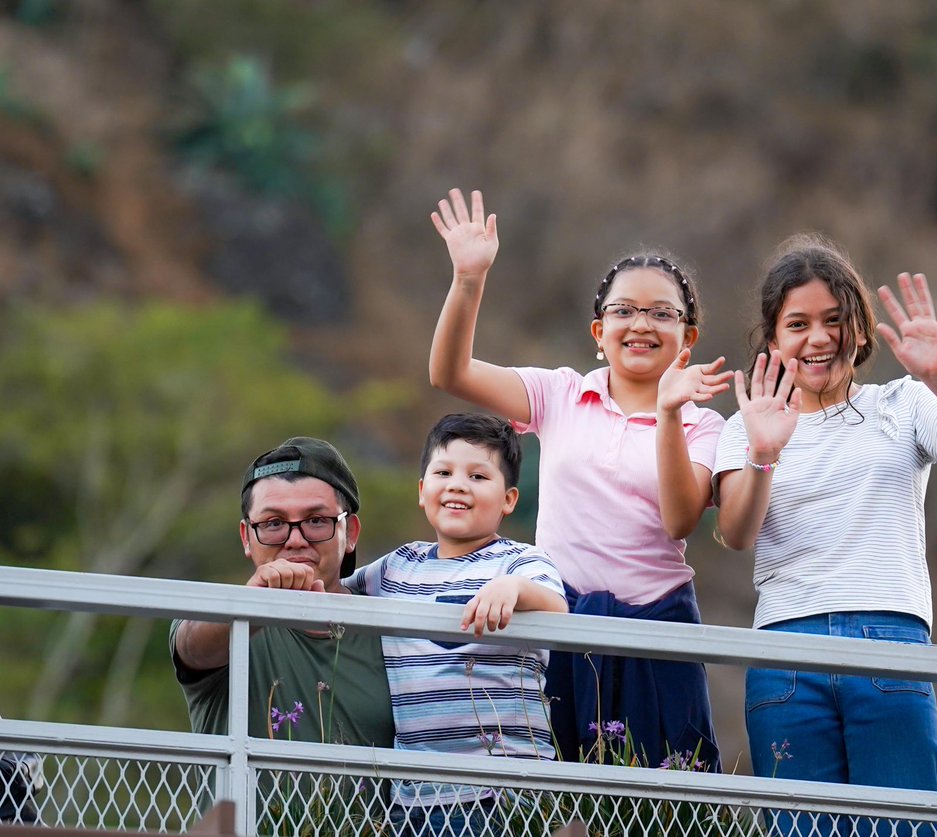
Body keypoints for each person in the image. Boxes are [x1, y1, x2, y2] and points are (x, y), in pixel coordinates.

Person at [713, 234, 937, 835]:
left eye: (834, 319)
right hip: (785, 650)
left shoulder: (902, 404)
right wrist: (763, 452)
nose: (818, 337)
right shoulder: (748, 424)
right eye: (797, 323)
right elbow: (736, 532)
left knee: (906, 824)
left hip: (889, 637)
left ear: (859, 329)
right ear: (773, 341)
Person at [427, 188, 731, 771]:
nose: (640, 324)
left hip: (657, 626)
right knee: (558, 797)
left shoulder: (704, 422)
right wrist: (469, 278)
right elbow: (450, 371)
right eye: (623, 311)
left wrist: (667, 413)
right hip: (557, 620)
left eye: (662, 313)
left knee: (671, 798)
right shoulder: (561, 393)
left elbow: (680, 517)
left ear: (687, 337)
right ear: (598, 331)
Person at [343, 413, 567, 837]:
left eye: (478, 476)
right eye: (443, 472)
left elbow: (557, 609)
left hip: (502, 790)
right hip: (412, 794)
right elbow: (334, 599)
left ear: (509, 499)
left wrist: (514, 590)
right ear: (422, 490)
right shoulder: (398, 566)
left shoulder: (519, 562)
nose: (458, 484)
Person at [170, 437, 394, 749]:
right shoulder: (223, 622)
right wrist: (254, 604)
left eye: (316, 521)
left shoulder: (396, 629)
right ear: (247, 537)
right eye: (274, 523)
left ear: (351, 532)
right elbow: (193, 649)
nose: (296, 540)